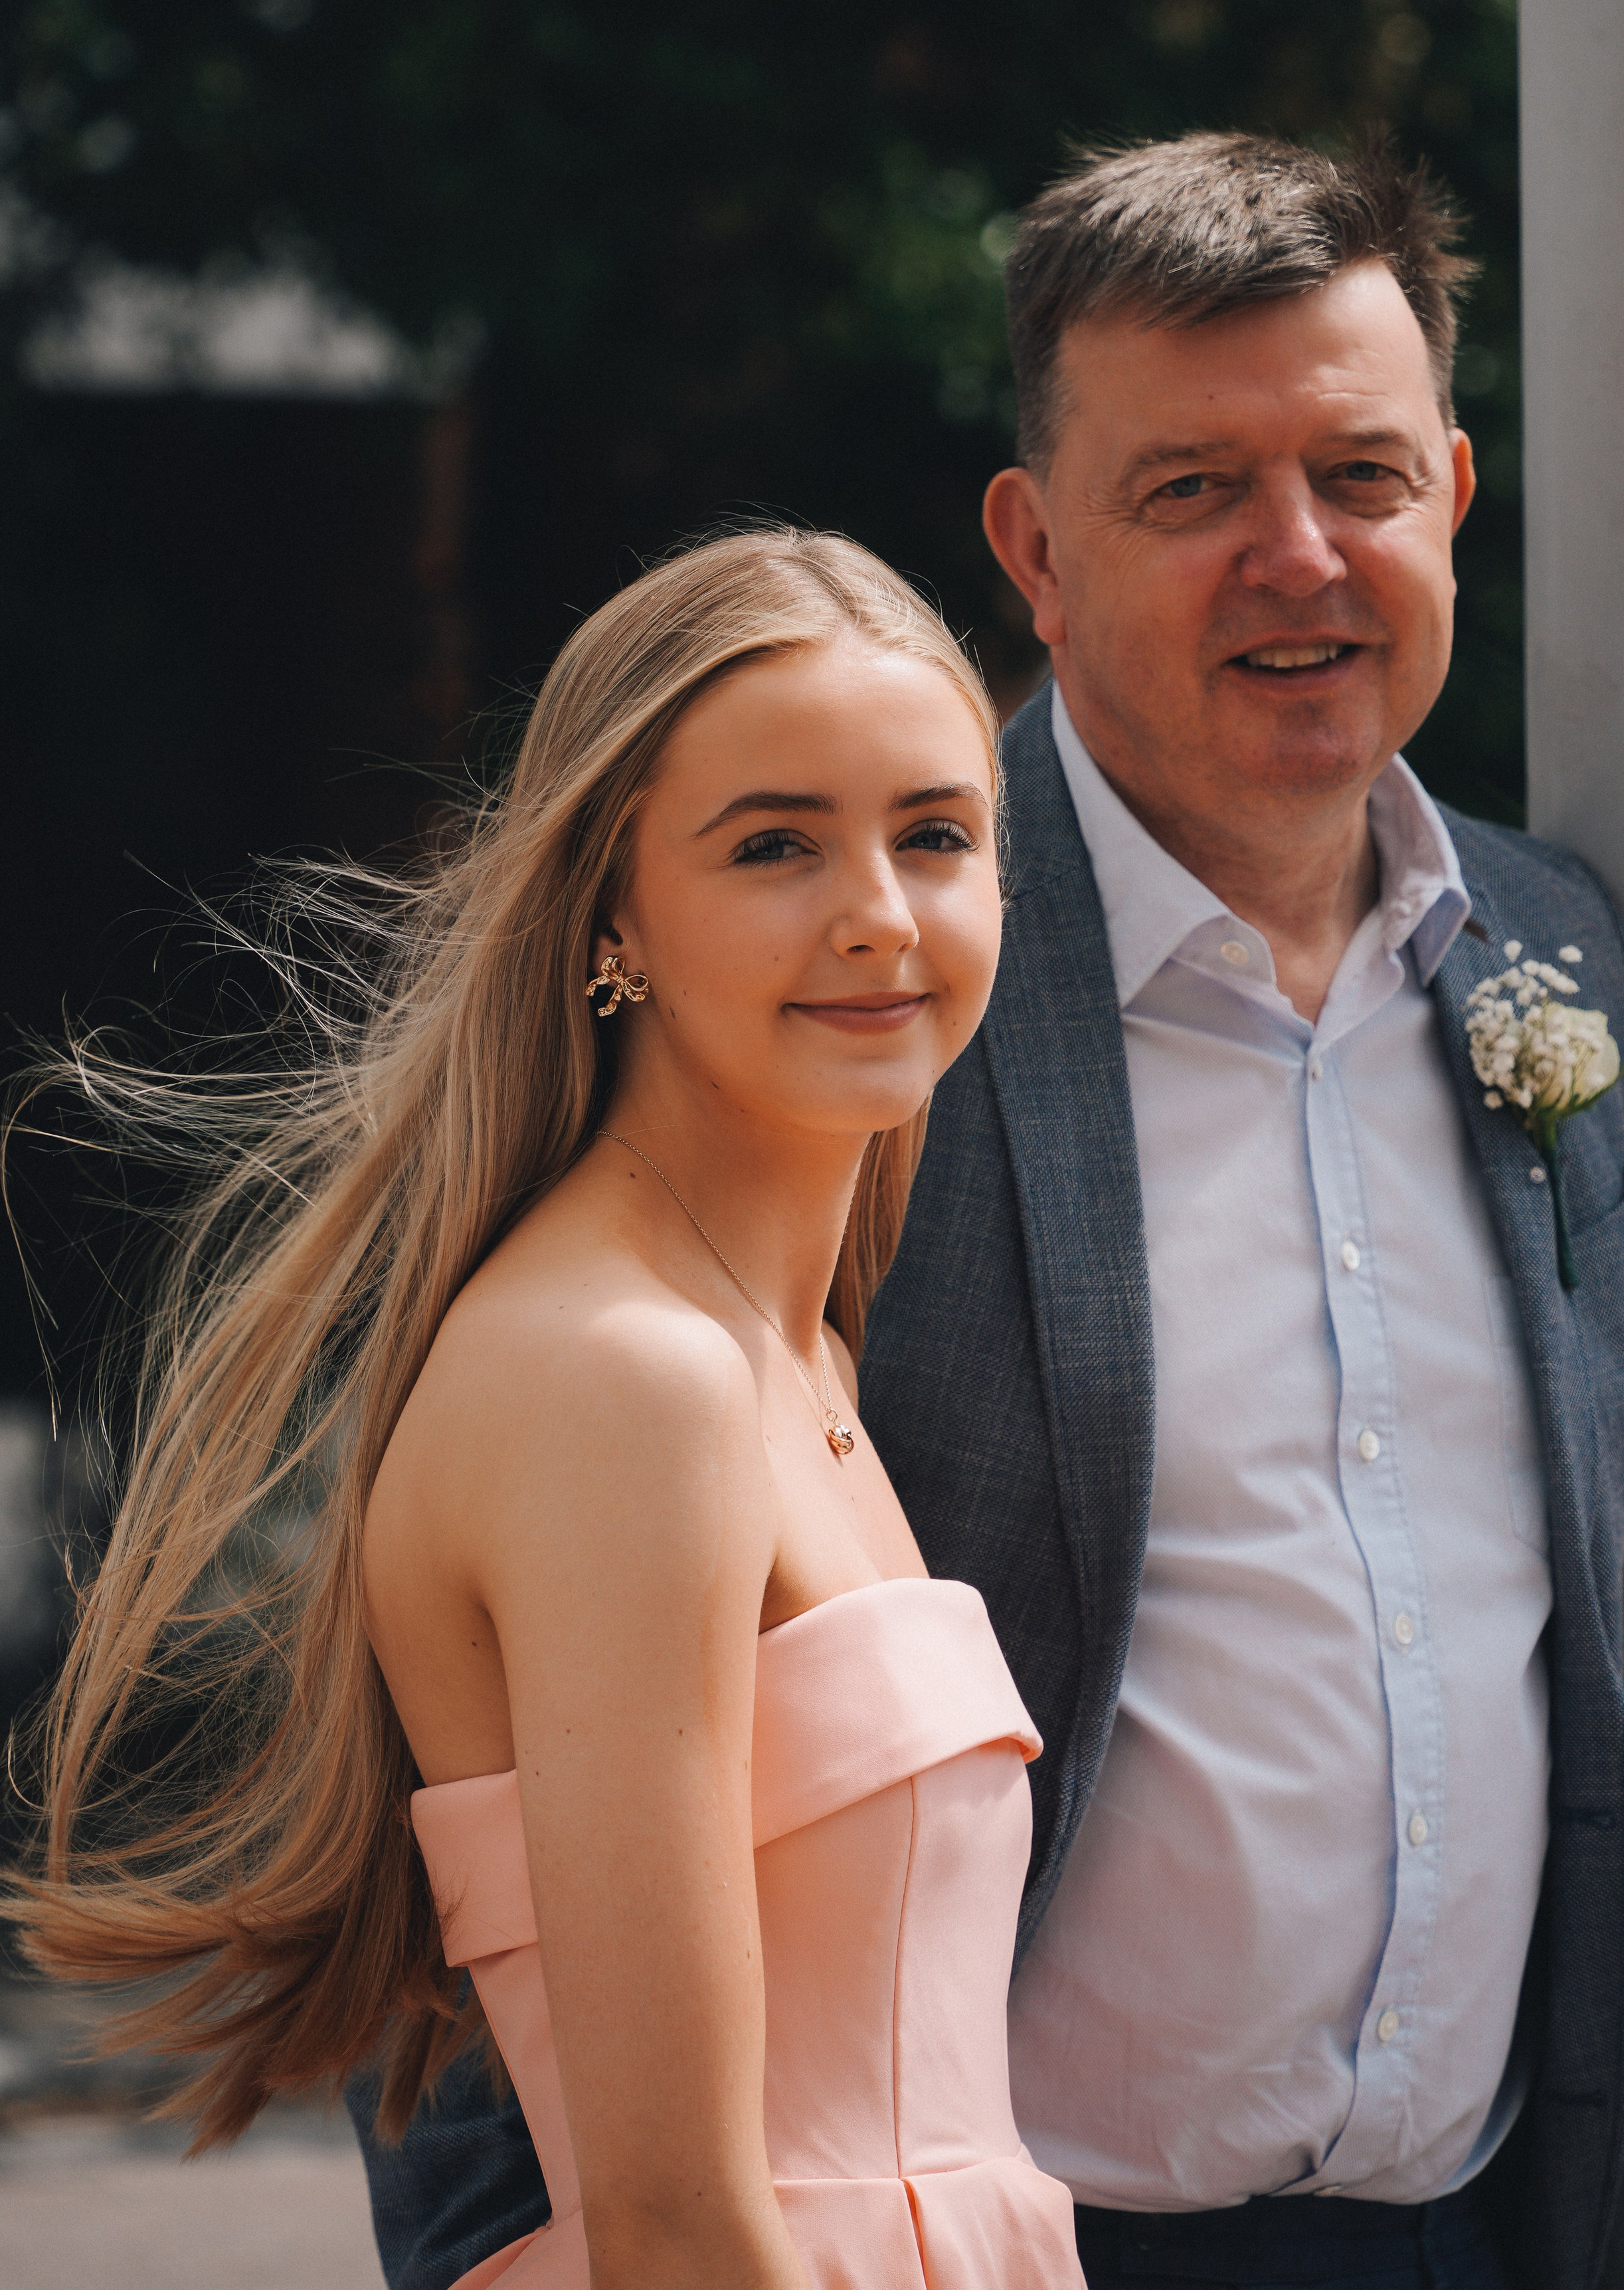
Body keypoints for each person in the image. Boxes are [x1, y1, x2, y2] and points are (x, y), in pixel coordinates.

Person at [344, 134, 1624, 2290]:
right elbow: (522, 1873)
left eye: (1360, 476)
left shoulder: (1565, 958)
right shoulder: (859, 1050)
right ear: (1033, 551)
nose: (1296, 557)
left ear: (1455, 493)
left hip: (1482, 2223)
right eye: (1194, 490)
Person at [9, 532, 1087, 2290]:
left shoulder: (782, 1345)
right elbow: (673, 2221)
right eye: (773, 845)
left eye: (938, 834)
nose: (882, 910)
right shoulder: (626, 1378)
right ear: (609, 917)